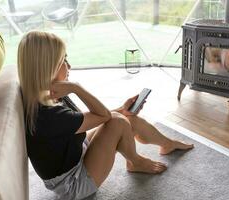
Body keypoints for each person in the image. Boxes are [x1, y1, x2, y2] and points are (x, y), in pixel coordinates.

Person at [17, 31, 194, 200]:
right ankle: (135, 161)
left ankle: (167, 144)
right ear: (48, 67)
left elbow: (96, 117)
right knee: (118, 122)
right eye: (63, 60)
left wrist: (121, 109)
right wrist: (76, 87)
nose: (69, 66)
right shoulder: (48, 115)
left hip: (76, 154)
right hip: (73, 184)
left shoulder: (46, 97)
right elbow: (103, 116)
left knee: (125, 117)